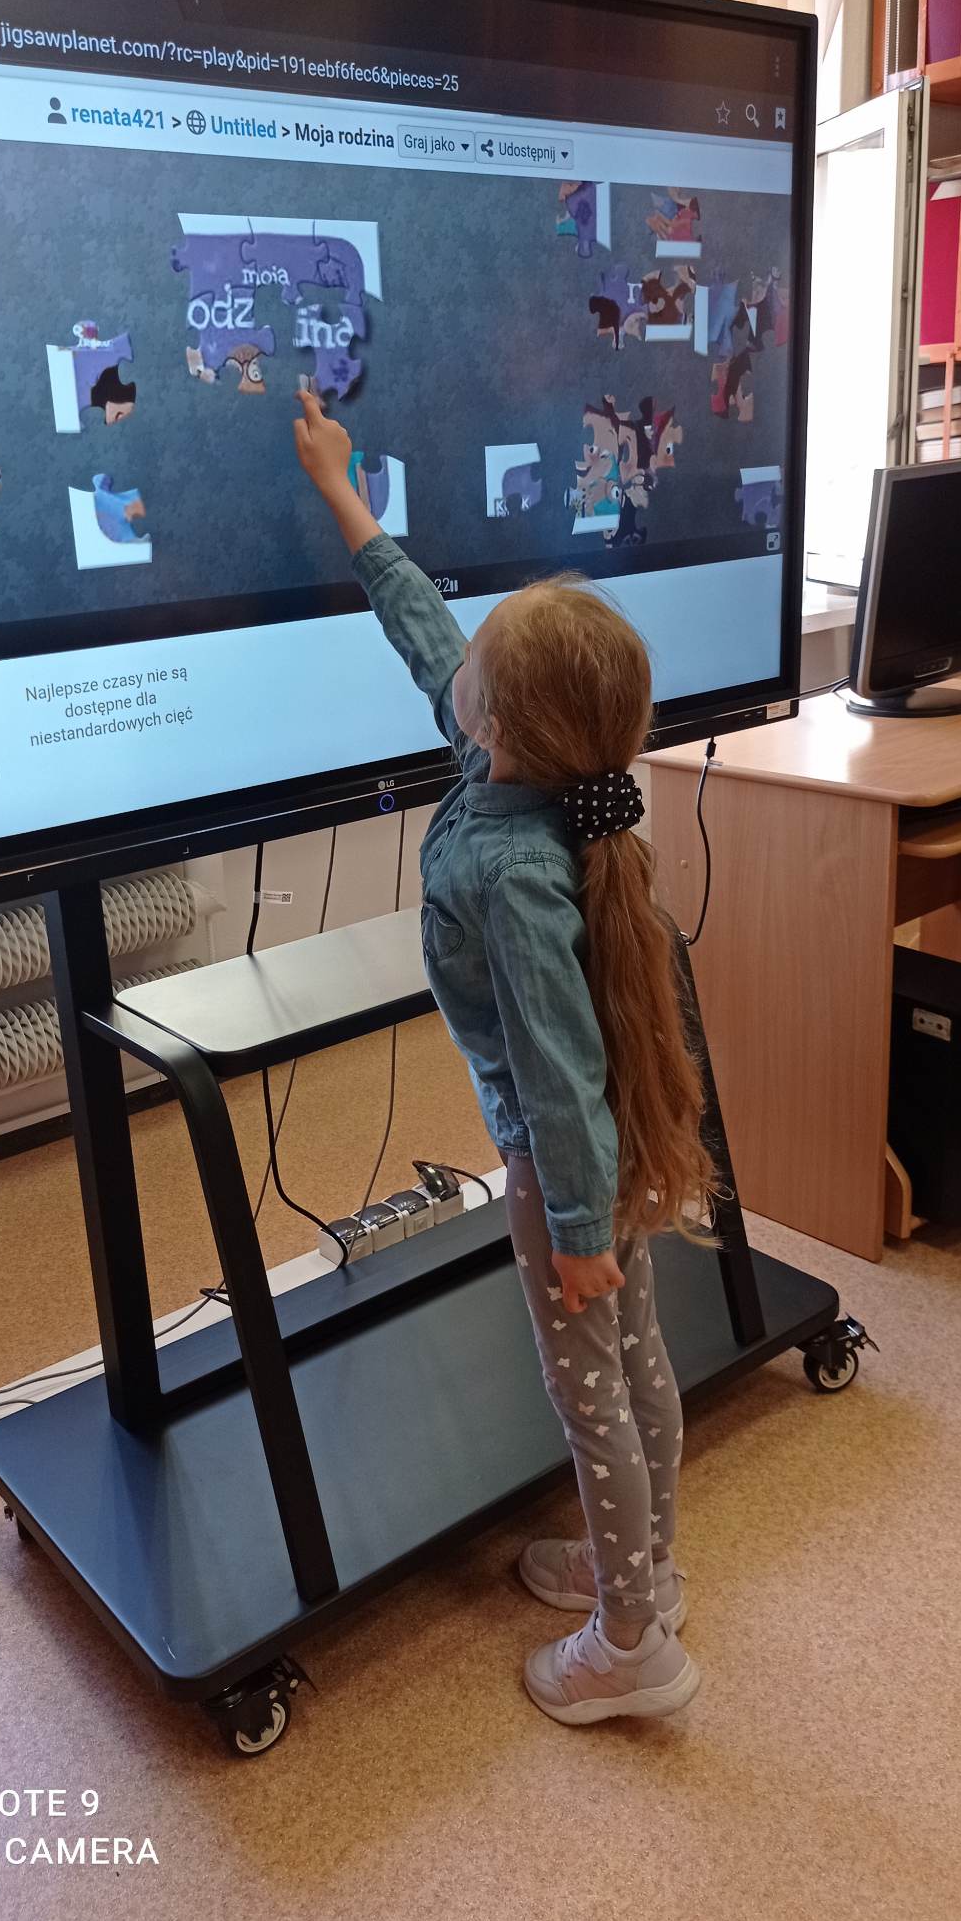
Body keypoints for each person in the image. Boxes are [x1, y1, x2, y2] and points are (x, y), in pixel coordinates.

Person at [293, 390, 713, 1725]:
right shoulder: (524, 770)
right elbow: (428, 632)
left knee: (592, 1385)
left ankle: (632, 1643)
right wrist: (342, 489)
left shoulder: (517, 871)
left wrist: (576, 1229)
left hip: (557, 1162)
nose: (457, 662)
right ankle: (645, 1568)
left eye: (479, 666)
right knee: (634, 1352)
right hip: (588, 1150)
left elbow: (559, 1073)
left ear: (497, 721)